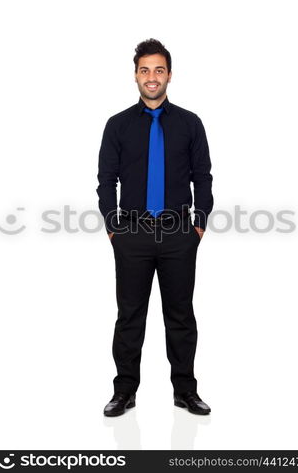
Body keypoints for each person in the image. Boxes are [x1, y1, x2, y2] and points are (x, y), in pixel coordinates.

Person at [96, 38, 214, 417]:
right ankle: (124, 391)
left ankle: (185, 390)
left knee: (180, 314)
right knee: (130, 315)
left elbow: (203, 176)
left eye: (158, 70)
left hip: (180, 233)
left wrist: (199, 223)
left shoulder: (190, 124)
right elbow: (106, 180)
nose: (151, 77)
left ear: (169, 75)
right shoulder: (117, 125)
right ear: (135, 75)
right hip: (132, 234)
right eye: (144, 70)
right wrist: (114, 227)